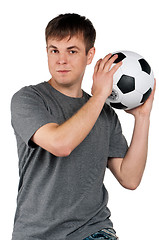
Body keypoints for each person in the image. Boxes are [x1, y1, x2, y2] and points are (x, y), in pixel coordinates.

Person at [10, 13, 155, 240]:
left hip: (93, 230)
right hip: (36, 234)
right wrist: (100, 96)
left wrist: (143, 118)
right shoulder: (28, 98)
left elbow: (130, 178)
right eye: (54, 50)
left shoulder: (105, 113)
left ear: (90, 55)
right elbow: (60, 144)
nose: (61, 60)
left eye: (72, 51)